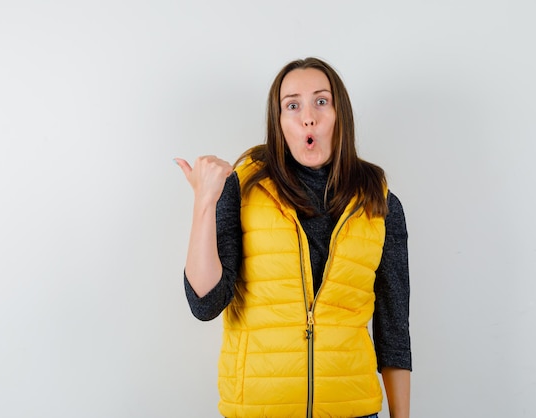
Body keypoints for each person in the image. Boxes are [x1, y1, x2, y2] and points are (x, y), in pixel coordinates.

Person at [174, 57, 411, 418]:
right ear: (279, 122)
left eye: (321, 101)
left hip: (353, 409)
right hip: (258, 408)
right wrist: (205, 202)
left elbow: (394, 333)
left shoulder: (379, 203)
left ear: (339, 114)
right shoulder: (243, 190)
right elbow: (205, 303)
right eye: (292, 105)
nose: (308, 117)